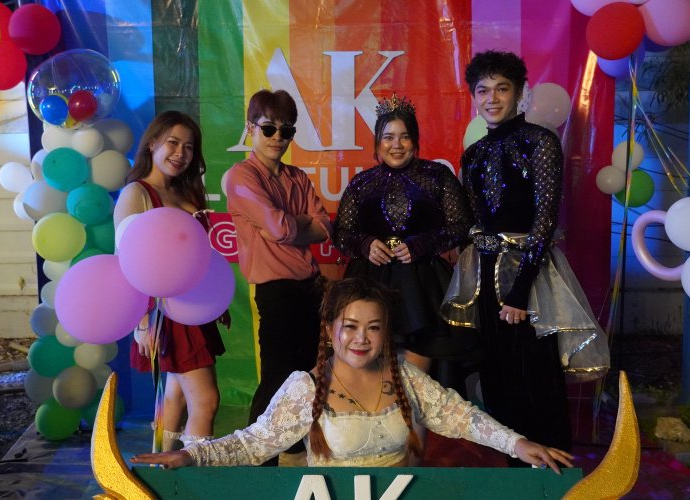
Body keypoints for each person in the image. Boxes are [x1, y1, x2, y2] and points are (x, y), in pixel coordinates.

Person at [130, 277, 574, 472]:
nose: (362, 339)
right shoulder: (305, 388)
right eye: (351, 327)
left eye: (374, 328)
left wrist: (518, 444)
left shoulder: (405, 377)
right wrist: (194, 456)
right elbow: (252, 443)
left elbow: (462, 417)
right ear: (330, 331)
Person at [441, 51, 609, 459]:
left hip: (529, 277)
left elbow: (545, 220)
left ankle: (551, 474)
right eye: (483, 90)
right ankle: (514, 468)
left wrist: (519, 292)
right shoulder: (473, 153)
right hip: (484, 274)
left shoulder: (541, 142)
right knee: (497, 377)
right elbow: (473, 223)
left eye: (502, 89)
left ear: (519, 93)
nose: (492, 98)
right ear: (474, 97)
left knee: (536, 376)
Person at [332, 94, 477, 376]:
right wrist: (365, 244)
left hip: (423, 285)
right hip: (370, 281)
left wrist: (424, 243)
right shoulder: (361, 183)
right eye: (388, 137)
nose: (396, 145)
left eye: (404, 137)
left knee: (423, 372)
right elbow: (341, 233)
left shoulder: (437, 176)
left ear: (415, 141)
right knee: (370, 365)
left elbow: (462, 225)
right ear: (378, 142)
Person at [224, 89, 332, 465]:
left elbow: (323, 227)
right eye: (269, 128)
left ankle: (297, 456)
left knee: (308, 377)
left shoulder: (297, 176)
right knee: (277, 378)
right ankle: (258, 464)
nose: (277, 138)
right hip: (277, 291)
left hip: (311, 288)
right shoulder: (240, 176)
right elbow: (279, 227)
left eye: (286, 131)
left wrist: (289, 225)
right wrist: (296, 225)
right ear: (250, 128)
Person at [114, 110, 229, 452]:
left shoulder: (188, 192)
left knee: (175, 397)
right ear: (152, 144)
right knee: (206, 401)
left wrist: (215, 301)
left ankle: (162, 467)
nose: (181, 153)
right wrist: (142, 321)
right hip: (164, 313)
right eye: (173, 143)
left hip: (195, 308)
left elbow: (200, 257)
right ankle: (193, 472)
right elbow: (126, 262)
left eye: (189, 147)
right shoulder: (137, 193)